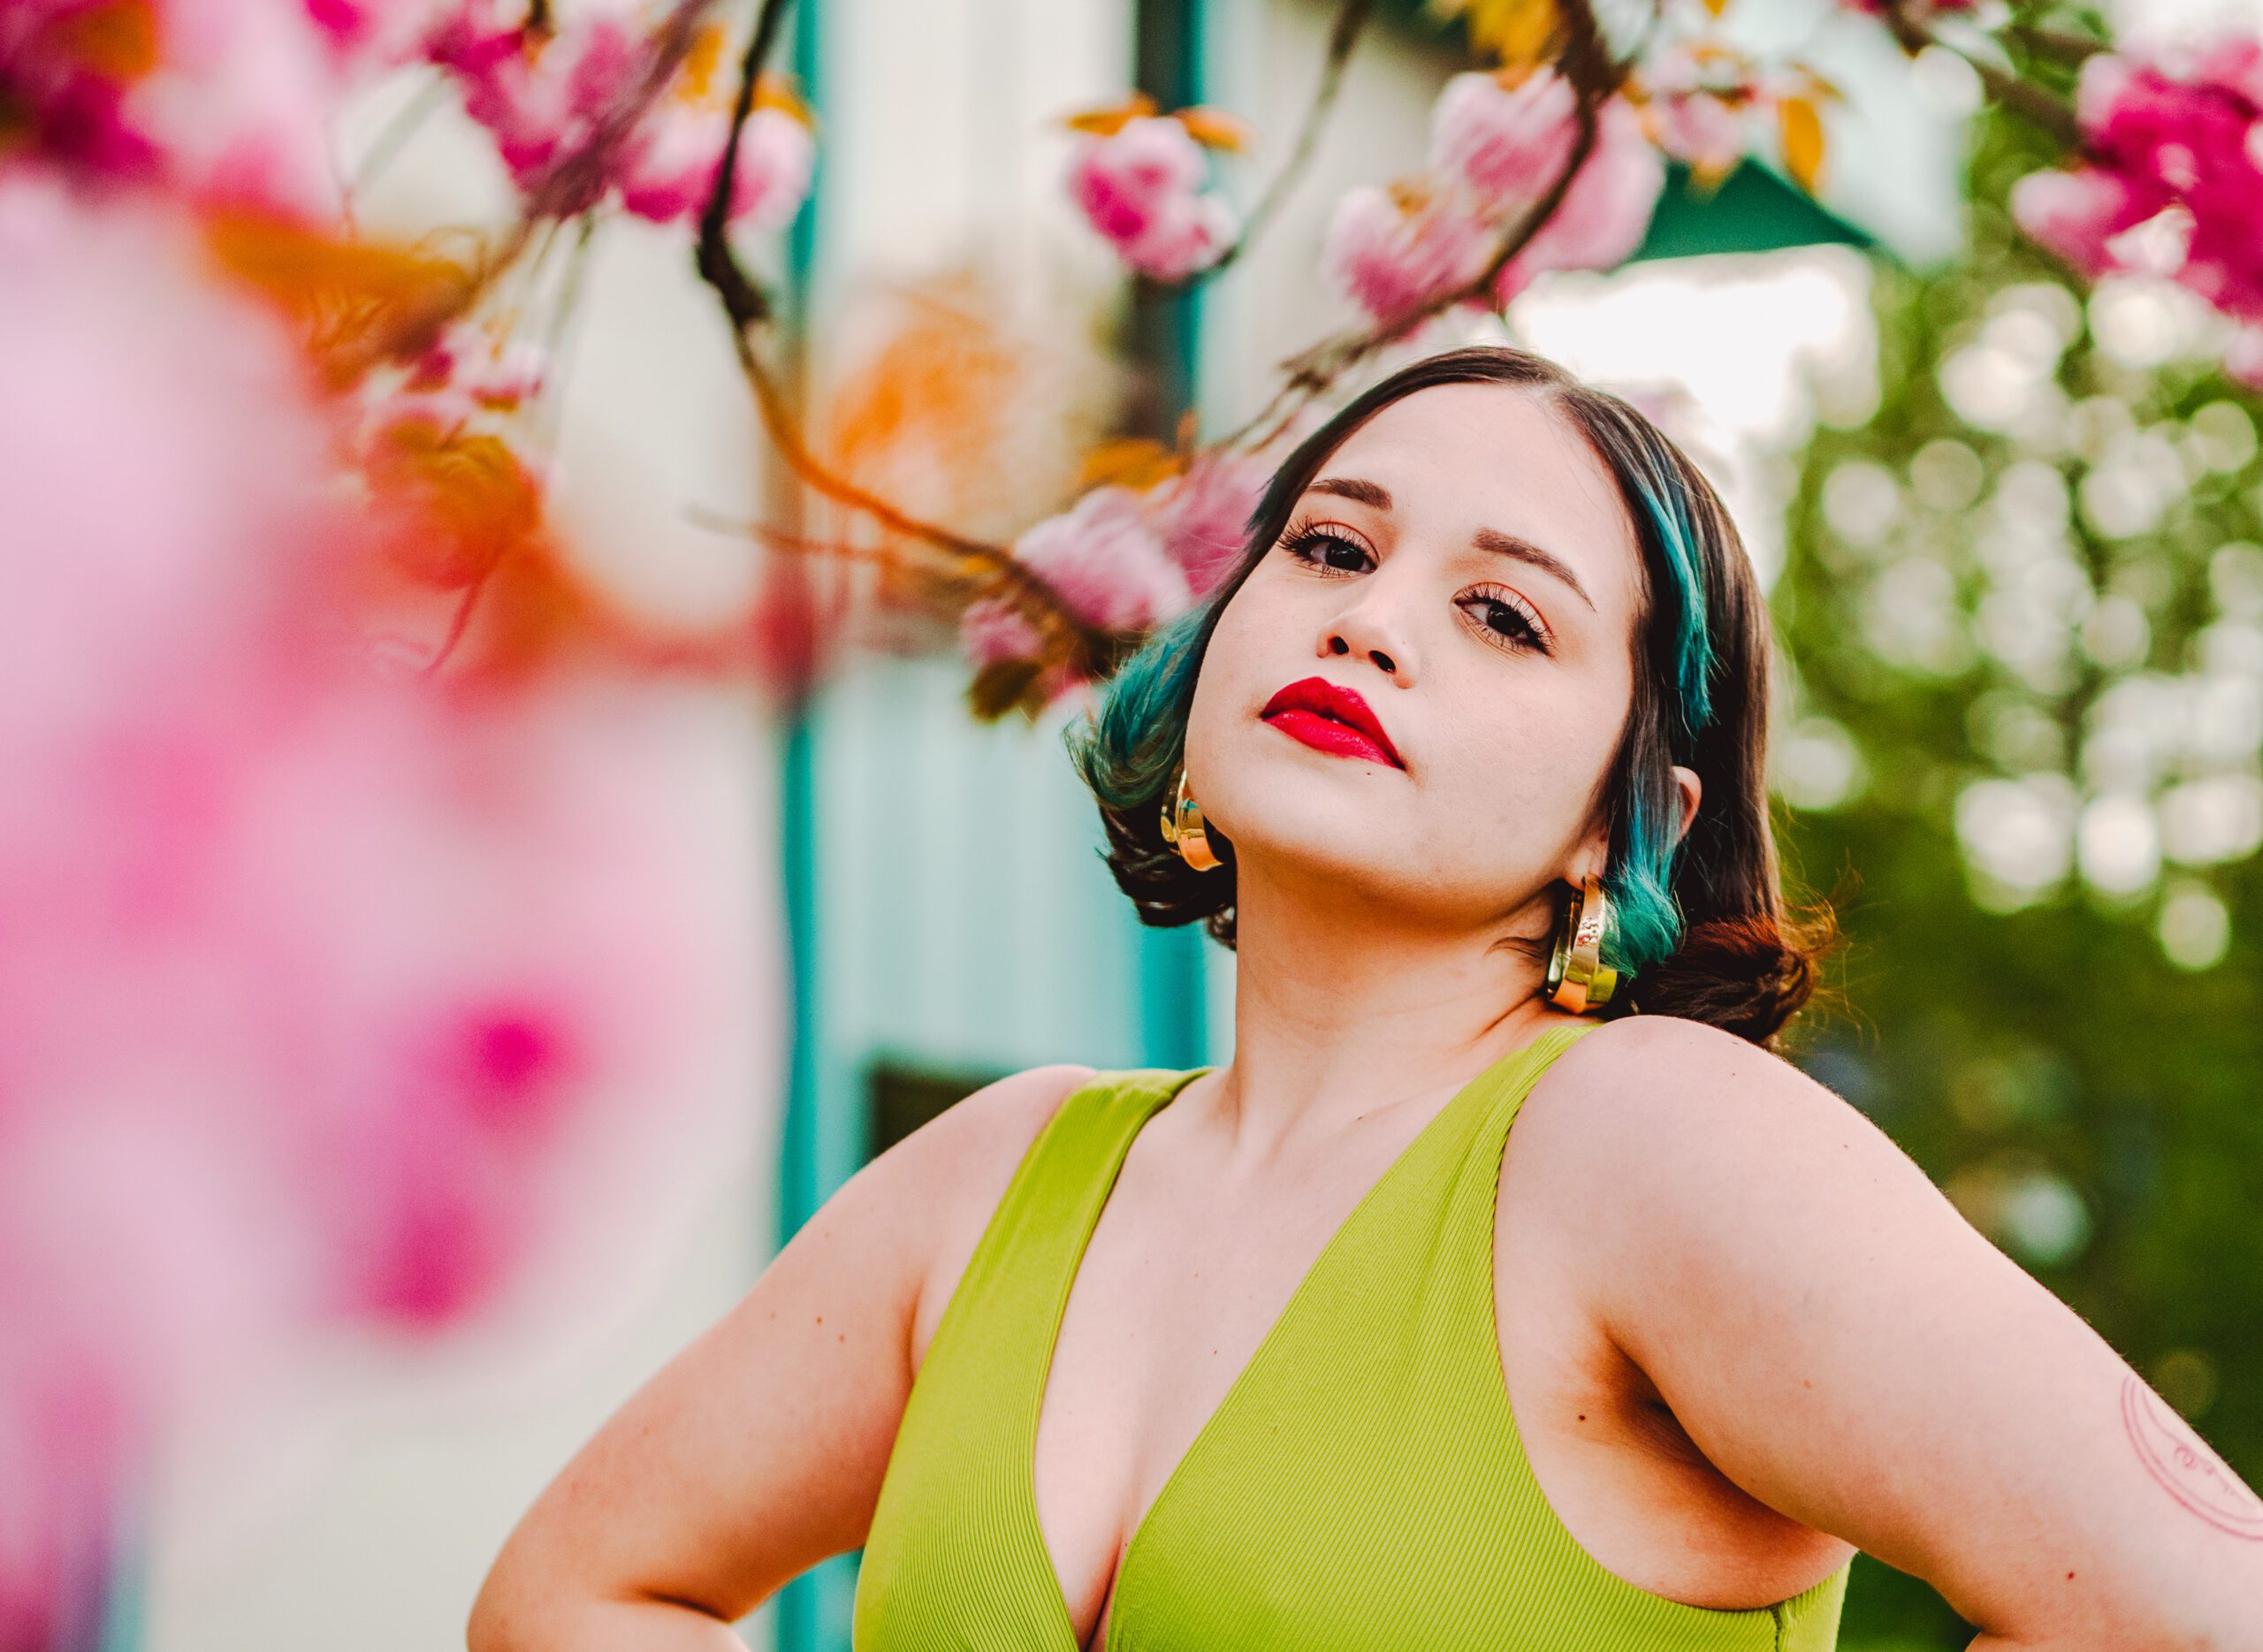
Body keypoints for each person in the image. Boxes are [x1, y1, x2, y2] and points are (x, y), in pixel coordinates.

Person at [466, 346, 2263, 1652]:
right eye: (1329, 548)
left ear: (1622, 818)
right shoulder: (996, 1177)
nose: (1372, 620)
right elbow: (569, 1594)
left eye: (1504, 617)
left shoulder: (1645, 1145)